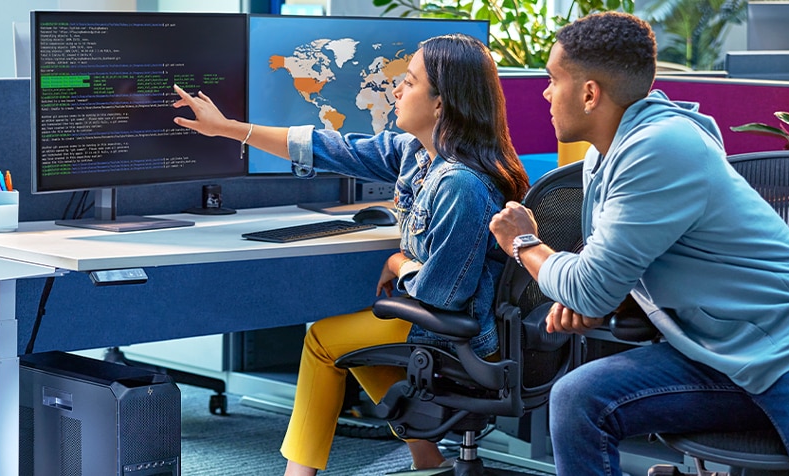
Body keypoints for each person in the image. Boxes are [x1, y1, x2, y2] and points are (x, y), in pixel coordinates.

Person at [487, 12, 789, 476]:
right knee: (579, 398)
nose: (544, 92)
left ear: (588, 93)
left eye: (552, 79)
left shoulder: (660, 147)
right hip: (713, 355)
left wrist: (523, 241)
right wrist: (599, 291)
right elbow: (606, 270)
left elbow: (588, 288)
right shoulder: (605, 157)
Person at [173, 33, 530, 476]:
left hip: (464, 334)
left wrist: (397, 262)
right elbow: (329, 148)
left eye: (410, 83)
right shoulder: (418, 155)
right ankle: (427, 459)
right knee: (355, 334)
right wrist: (227, 128)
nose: (395, 90)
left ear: (441, 104)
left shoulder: (460, 183)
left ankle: (300, 474)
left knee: (323, 339)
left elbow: (442, 295)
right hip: (448, 319)